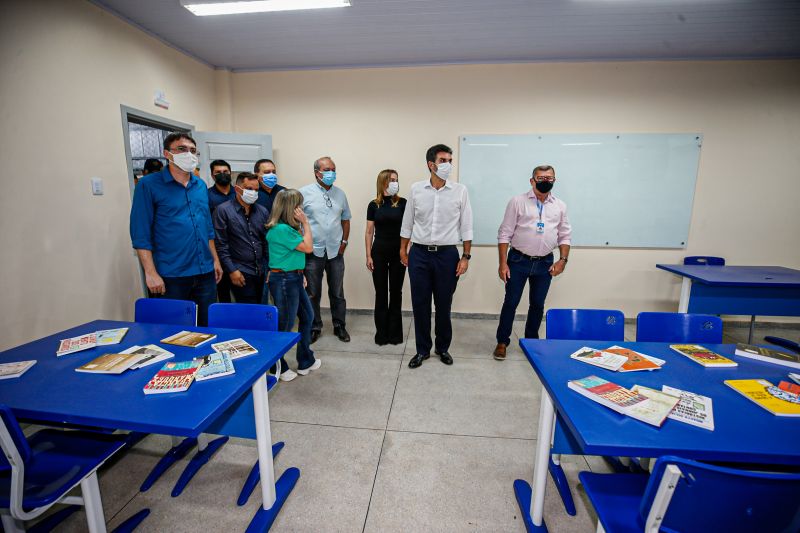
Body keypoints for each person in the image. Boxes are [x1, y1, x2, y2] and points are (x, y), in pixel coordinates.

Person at [130, 132, 222, 327]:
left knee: (207, 328)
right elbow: (140, 233)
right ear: (167, 154)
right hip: (171, 275)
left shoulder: (200, 185)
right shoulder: (148, 185)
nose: (188, 154)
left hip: (205, 272)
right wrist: (150, 273)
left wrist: (215, 260)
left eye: (192, 151)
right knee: (175, 333)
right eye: (182, 149)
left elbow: (207, 228)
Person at [400, 144, 473, 368]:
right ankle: (422, 350)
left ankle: (443, 348)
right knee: (420, 305)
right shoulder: (416, 190)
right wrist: (403, 250)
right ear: (431, 164)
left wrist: (465, 256)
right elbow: (407, 222)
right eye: (443, 160)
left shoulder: (460, 190)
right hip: (419, 254)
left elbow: (467, 225)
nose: (448, 165)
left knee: (444, 305)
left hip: (447, 255)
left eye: (450, 160)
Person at [493, 165, 572, 361]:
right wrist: (503, 263)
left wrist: (563, 260)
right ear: (532, 180)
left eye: (549, 178)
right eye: (541, 177)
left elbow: (565, 235)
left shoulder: (560, 205)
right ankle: (502, 341)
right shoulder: (517, 202)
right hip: (518, 260)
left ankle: (531, 341)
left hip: (545, 262)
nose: (545, 181)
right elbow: (504, 234)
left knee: (537, 304)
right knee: (510, 302)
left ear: (554, 180)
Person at [266, 189, 320, 382]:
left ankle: (305, 359)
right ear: (291, 208)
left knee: (308, 316)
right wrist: (306, 223)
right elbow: (308, 248)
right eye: (299, 205)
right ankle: (276, 366)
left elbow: (294, 255)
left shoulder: (289, 228)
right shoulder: (280, 229)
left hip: (294, 277)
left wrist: (301, 273)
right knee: (285, 325)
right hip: (283, 281)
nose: (302, 209)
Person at [299, 157, 352, 343]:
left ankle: (339, 326)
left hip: (336, 252)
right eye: (327, 169)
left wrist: (344, 242)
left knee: (337, 292)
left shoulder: (340, 194)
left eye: (334, 169)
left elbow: (345, 219)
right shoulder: (303, 193)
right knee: (313, 292)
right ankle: (314, 327)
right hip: (313, 252)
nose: (332, 173)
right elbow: (296, 223)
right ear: (317, 173)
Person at [213, 172, 269, 305]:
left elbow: (266, 242)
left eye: (256, 190)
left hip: (261, 270)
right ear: (237, 189)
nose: (254, 193)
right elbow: (221, 244)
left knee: (260, 308)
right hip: (240, 270)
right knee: (246, 311)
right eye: (249, 189)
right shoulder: (223, 211)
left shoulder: (262, 211)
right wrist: (232, 270)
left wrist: (269, 268)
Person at [365, 169, 407, 345]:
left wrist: (405, 250)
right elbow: (369, 232)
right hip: (379, 252)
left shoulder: (403, 203)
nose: (394, 183)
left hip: (399, 253)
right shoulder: (373, 205)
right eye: (391, 180)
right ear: (383, 182)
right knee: (381, 293)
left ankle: (395, 334)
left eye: (396, 180)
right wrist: (368, 255)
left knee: (396, 293)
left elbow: (408, 230)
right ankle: (381, 334)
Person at [254, 158, 284, 305]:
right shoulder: (252, 193)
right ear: (257, 175)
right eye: (266, 172)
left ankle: (281, 324)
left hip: (281, 251)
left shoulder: (283, 192)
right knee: (262, 294)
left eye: (273, 172)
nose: (271, 175)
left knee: (281, 295)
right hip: (259, 250)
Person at [207, 159, 237, 303]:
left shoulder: (239, 193)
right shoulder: (206, 195)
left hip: (239, 249)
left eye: (225, 172)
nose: (222, 174)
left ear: (230, 173)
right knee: (223, 293)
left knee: (243, 293)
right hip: (218, 250)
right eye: (218, 172)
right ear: (212, 176)